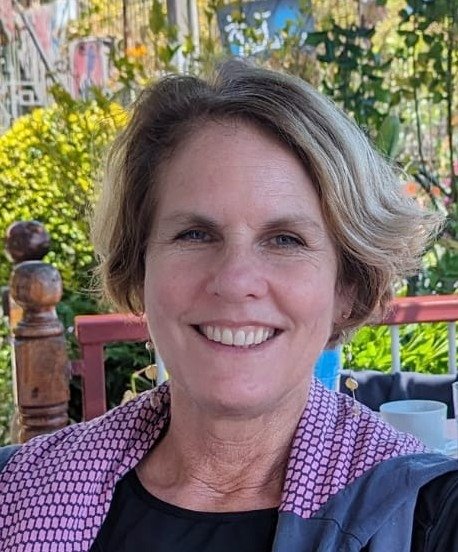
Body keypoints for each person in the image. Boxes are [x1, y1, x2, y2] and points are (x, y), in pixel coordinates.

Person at [0, 60, 457, 551]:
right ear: (139, 266)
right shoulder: (18, 493)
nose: (236, 281)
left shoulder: (427, 518)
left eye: (285, 239)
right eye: (195, 234)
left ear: (346, 289)